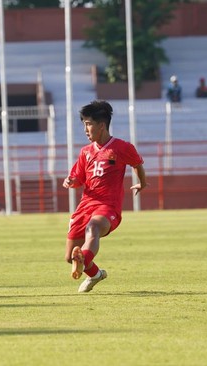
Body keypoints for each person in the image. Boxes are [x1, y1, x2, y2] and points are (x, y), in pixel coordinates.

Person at [62, 100, 147, 293]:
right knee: (69, 257)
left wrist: (142, 182)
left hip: (108, 206)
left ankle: (82, 258)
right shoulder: (85, 152)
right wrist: (70, 181)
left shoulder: (121, 147)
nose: (85, 129)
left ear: (101, 125)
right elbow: (78, 178)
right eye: (83, 124)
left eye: (89, 124)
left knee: (93, 228)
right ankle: (95, 274)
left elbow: (137, 164)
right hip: (85, 205)